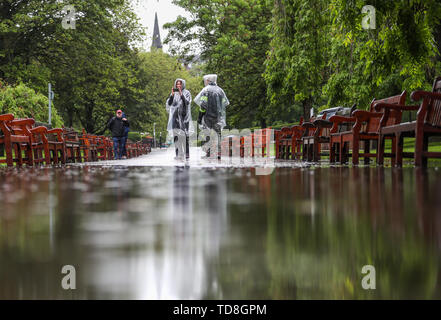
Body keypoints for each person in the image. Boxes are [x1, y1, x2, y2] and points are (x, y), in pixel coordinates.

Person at [194, 74, 229, 159]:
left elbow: (203, 105)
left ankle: (208, 153)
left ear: (208, 81)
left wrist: (199, 118)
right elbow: (225, 103)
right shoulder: (220, 90)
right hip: (218, 117)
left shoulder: (206, 90)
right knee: (218, 135)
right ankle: (219, 153)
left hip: (208, 117)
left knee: (207, 135)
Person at [166, 78, 193, 160]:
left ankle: (186, 153)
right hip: (175, 118)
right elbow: (170, 104)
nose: (178, 85)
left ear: (183, 84)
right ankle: (178, 154)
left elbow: (187, 103)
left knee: (185, 136)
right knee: (176, 137)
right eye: (177, 84)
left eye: (180, 84)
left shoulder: (187, 93)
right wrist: (172, 95)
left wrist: (181, 94)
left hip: (184, 118)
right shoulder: (174, 93)